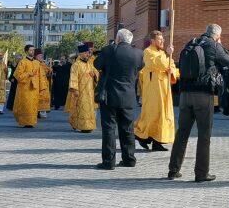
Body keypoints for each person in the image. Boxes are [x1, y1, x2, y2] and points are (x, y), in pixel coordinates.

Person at [168, 24, 229, 182]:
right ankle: (201, 173)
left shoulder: (191, 42)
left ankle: (173, 170)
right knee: (204, 135)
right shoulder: (213, 45)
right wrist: (220, 45)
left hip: (184, 94)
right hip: (203, 95)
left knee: (182, 133)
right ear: (217, 35)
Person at [94, 29, 144, 170]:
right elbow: (140, 67)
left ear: (118, 38)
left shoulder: (108, 50)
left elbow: (96, 65)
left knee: (109, 129)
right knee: (128, 129)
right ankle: (129, 159)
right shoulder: (138, 53)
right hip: (128, 96)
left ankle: (109, 162)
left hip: (110, 96)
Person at [134, 30, 178, 151]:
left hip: (164, 89)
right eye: (160, 39)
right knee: (153, 113)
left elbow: (172, 66)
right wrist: (168, 56)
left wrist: (172, 71)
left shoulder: (162, 53)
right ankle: (141, 135)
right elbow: (157, 64)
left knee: (162, 114)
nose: (162, 41)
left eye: (163, 39)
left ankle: (158, 140)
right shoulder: (148, 52)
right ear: (152, 41)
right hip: (153, 89)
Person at [66, 44, 99, 133]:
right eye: (86, 53)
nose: (88, 54)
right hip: (80, 91)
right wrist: (75, 90)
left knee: (89, 109)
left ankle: (89, 125)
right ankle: (83, 126)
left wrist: (95, 75)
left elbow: (96, 73)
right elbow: (73, 77)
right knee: (81, 109)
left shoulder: (90, 64)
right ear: (80, 54)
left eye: (88, 53)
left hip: (90, 91)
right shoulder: (76, 65)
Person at [13, 45, 44, 128]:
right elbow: (17, 75)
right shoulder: (22, 62)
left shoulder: (37, 63)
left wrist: (42, 87)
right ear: (26, 51)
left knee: (33, 105)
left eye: (33, 50)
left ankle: (31, 121)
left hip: (34, 88)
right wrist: (28, 74)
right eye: (31, 50)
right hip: (25, 88)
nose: (33, 52)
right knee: (25, 104)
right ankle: (25, 121)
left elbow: (41, 76)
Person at [34, 49, 52, 119]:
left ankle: (42, 112)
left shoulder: (43, 64)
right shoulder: (34, 63)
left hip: (44, 84)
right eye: (39, 56)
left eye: (41, 56)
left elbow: (47, 72)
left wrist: (49, 71)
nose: (41, 57)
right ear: (36, 56)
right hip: (37, 84)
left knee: (44, 98)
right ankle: (36, 112)